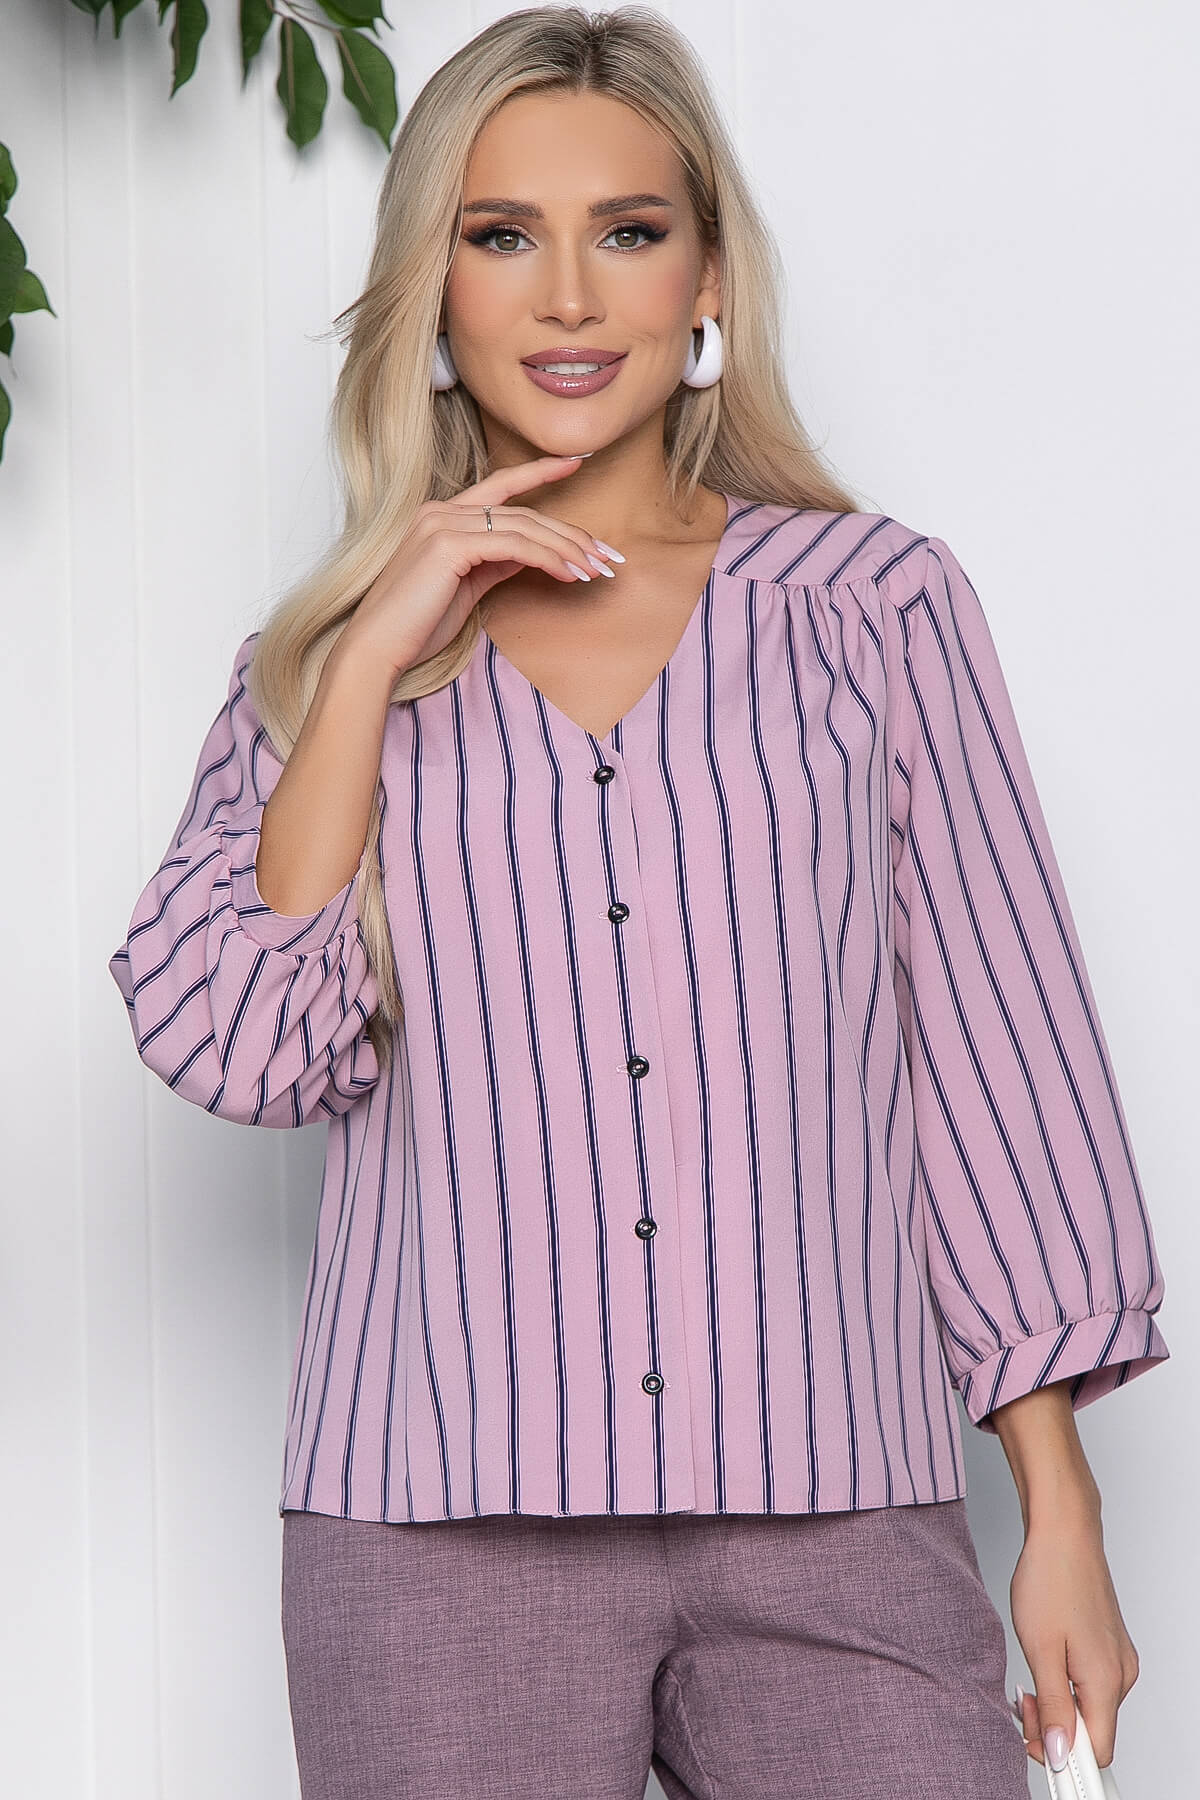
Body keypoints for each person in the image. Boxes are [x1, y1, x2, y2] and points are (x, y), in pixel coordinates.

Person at [107, 7, 1170, 1797]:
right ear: (433, 291)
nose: (569, 297)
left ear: (707, 279)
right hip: (435, 1530)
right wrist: (370, 657)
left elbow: (1000, 1069)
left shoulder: (874, 611)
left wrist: (1060, 1516)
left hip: (835, 1501)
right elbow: (244, 1045)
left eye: (628, 230)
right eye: (501, 234)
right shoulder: (327, 673)